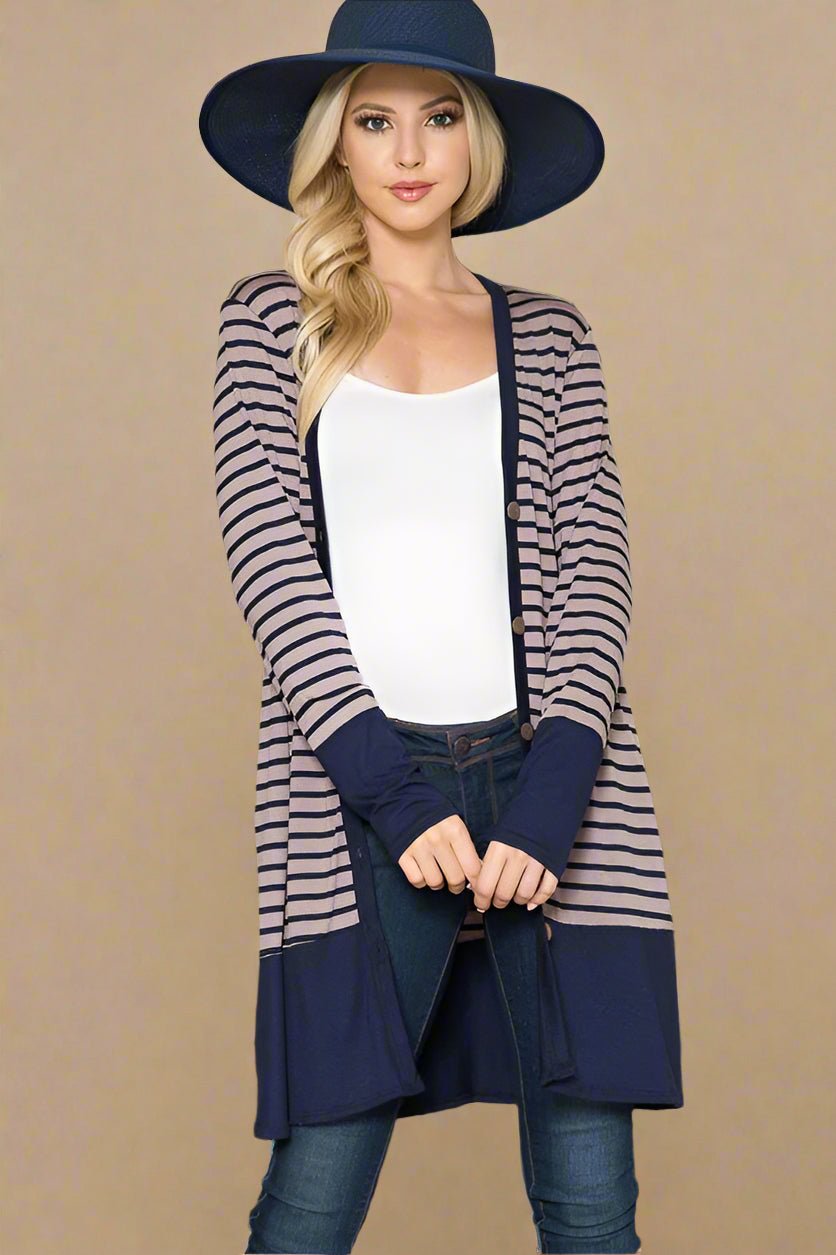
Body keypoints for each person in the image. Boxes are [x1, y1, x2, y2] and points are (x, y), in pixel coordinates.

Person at [200, 3, 683, 1252]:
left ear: (478, 142)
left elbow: (595, 568)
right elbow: (268, 564)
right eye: (373, 120)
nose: (408, 151)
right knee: (312, 1198)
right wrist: (393, 795)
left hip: (546, 780)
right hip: (359, 787)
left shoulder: (552, 336)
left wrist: (550, 804)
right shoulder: (269, 318)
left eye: (439, 117)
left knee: (591, 1207)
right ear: (334, 142)